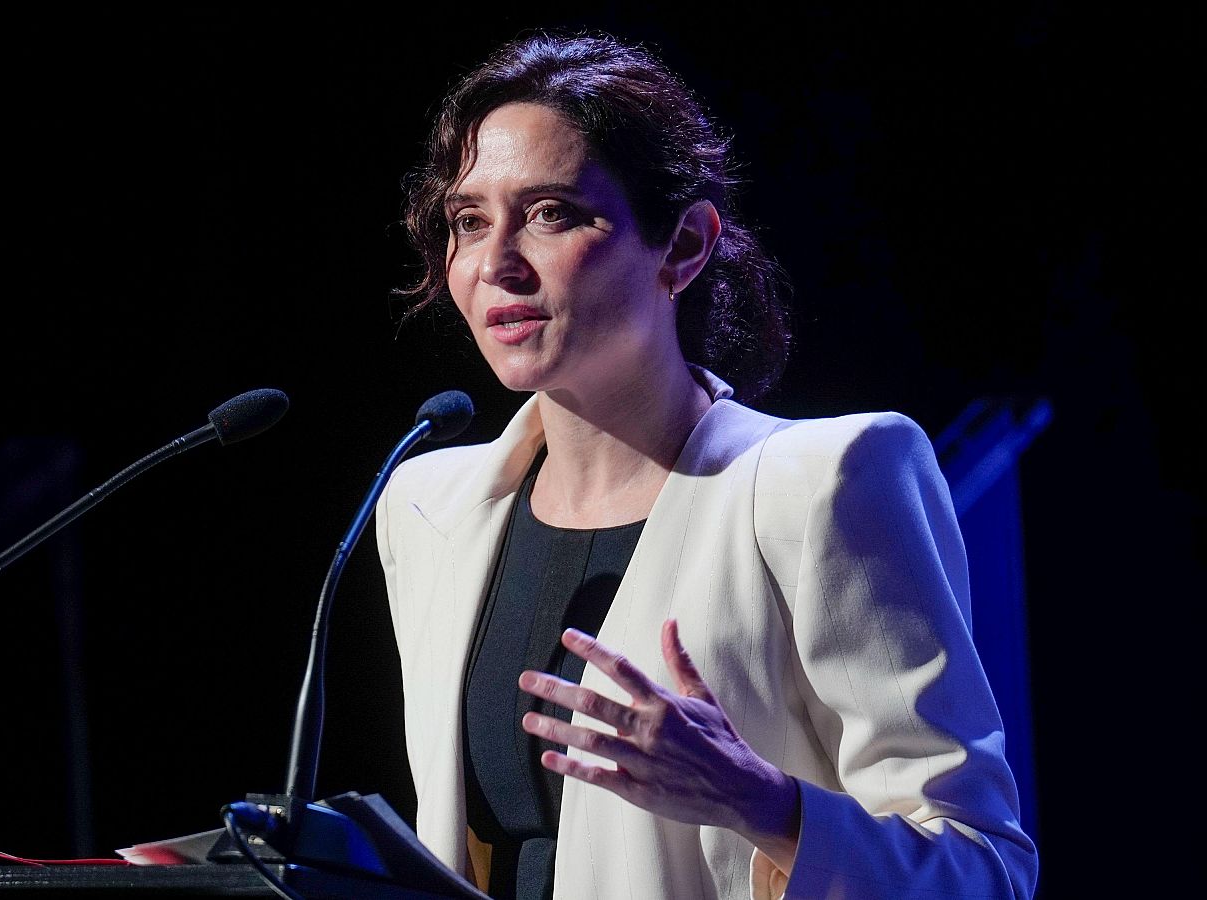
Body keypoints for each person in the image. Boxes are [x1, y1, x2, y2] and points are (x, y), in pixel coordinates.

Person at [374, 31, 1037, 900]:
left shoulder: (826, 483)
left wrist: (754, 798)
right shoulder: (431, 507)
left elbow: (982, 872)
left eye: (551, 213)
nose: (496, 263)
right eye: (469, 222)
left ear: (683, 247)